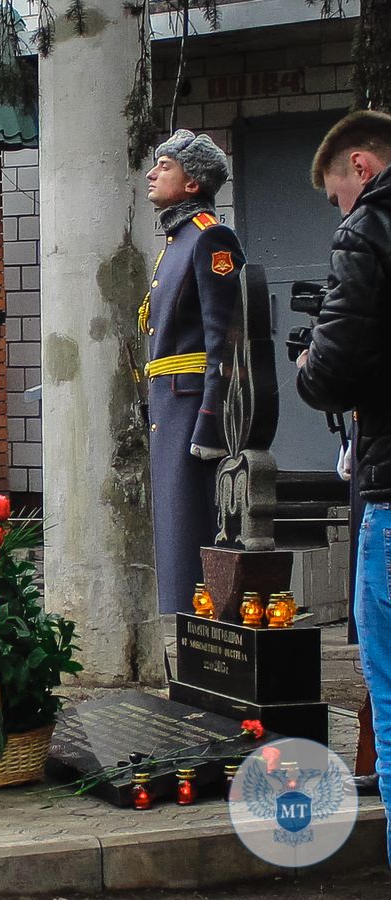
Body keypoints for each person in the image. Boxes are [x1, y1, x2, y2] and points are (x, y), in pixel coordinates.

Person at [295, 109, 391, 853]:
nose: (339, 210)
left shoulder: (371, 227)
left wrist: (308, 368)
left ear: (361, 166)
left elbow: (329, 369)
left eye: (336, 194)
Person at [139, 129, 243, 615]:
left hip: (191, 406)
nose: (152, 173)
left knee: (190, 532)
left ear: (194, 183)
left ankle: (202, 635)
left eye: (166, 166)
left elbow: (223, 340)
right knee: (174, 535)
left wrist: (210, 421)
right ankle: (186, 637)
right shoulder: (176, 240)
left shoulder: (210, 237)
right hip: (169, 403)